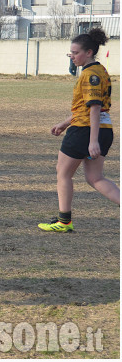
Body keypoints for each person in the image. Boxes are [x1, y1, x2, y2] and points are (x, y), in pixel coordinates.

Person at [38, 28, 119, 233]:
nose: (72, 56)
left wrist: (93, 141)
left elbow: (94, 107)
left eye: (75, 53)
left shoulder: (90, 74)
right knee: (95, 178)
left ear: (89, 52)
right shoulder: (100, 70)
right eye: (70, 53)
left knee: (63, 173)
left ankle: (64, 221)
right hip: (103, 129)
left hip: (85, 131)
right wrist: (65, 122)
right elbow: (88, 107)